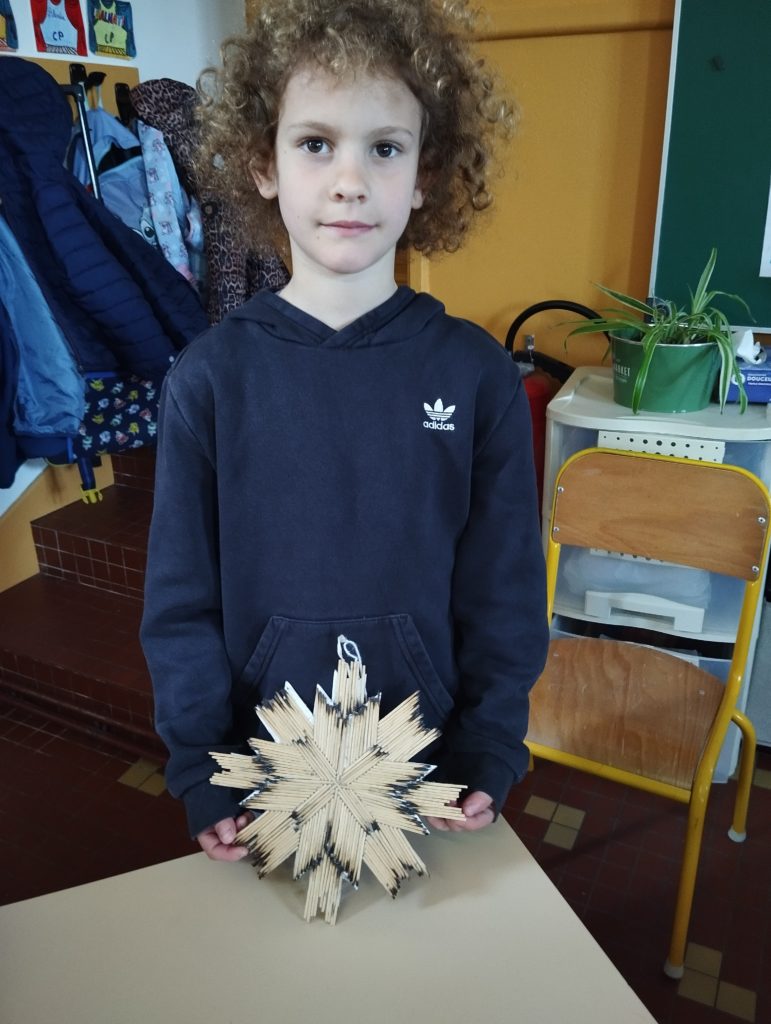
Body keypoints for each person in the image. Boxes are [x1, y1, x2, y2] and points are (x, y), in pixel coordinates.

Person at [140, 0, 549, 862]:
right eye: (315, 143)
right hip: (262, 767)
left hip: (429, 762)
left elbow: (503, 588)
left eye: (385, 148)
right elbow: (181, 601)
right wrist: (200, 763)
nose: (350, 180)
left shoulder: (476, 374)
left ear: (425, 173)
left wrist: (489, 742)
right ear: (264, 163)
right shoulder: (208, 378)